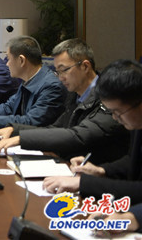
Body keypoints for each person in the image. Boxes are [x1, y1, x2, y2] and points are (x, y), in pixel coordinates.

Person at [0, 39, 128, 164]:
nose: (60, 78)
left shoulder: (110, 97)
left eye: (64, 70)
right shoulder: (74, 95)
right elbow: (56, 128)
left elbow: (77, 135)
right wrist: (14, 130)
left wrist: (21, 138)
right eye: (58, 72)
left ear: (85, 66)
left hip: (99, 175)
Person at [43, 60, 142, 209]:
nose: (115, 118)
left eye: (118, 112)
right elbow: (133, 160)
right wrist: (102, 170)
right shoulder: (136, 121)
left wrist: (83, 183)